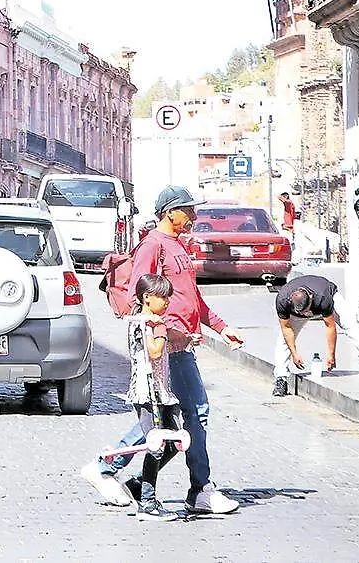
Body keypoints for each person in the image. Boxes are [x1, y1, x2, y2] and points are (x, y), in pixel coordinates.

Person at [84, 185, 245, 516]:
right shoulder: (153, 245)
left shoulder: (178, 246)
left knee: (169, 422)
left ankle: (112, 469)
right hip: (168, 347)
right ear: (170, 212)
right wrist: (168, 332)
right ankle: (200, 489)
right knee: (194, 412)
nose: (194, 215)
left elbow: (193, 298)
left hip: (182, 344)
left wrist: (220, 326)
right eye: (188, 209)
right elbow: (141, 297)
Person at [123, 274, 183, 521]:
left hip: (161, 391)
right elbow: (155, 351)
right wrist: (160, 330)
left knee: (175, 440)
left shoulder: (152, 322)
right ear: (147, 297)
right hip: (146, 392)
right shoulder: (144, 323)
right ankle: (147, 503)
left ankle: (138, 484)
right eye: (163, 297)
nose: (167, 302)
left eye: (168, 297)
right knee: (156, 445)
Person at [272, 275, 359, 396]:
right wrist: (294, 354)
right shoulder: (282, 300)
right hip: (298, 312)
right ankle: (281, 379)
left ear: (310, 298)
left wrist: (331, 355)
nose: (307, 314)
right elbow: (286, 329)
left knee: (350, 325)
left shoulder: (323, 297)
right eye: (303, 312)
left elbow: (330, 326)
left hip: (329, 296)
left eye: (306, 310)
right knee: (283, 341)